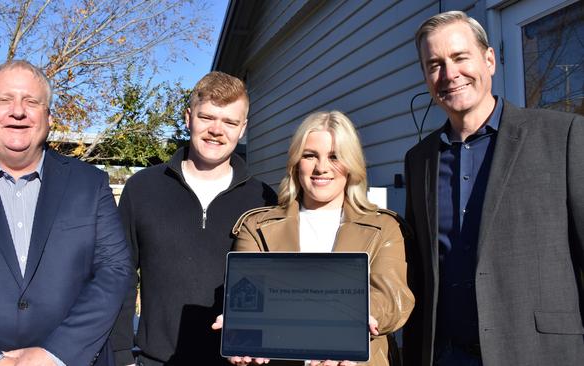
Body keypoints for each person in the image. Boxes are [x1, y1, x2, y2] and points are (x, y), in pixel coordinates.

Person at [403, 10, 584, 366]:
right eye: (435, 64)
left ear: (489, 60)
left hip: (539, 354)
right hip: (446, 356)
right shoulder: (419, 160)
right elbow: (420, 272)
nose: (449, 74)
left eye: (459, 57)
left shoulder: (562, 136)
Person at [0, 60, 132, 365]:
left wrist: (56, 354)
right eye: (4, 100)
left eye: (31, 102)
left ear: (49, 117)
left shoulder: (89, 185)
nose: (18, 111)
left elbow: (114, 270)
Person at [221, 111, 415, 366]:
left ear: (352, 163)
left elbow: (392, 296)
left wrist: (358, 316)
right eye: (310, 155)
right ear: (295, 163)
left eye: (335, 156)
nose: (321, 167)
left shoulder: (384, 227)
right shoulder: (257, 227)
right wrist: (240, 326)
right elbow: (247, 297)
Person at [110, 71, 277, 366]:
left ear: (243, 128)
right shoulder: (143, 189)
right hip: (155, 360)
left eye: (229, 122)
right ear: (189, 117)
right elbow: (119, 278)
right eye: (207, 117)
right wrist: (122, 355)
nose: (217, 130)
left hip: (238, 362)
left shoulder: (263, 199)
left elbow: (275, 286)